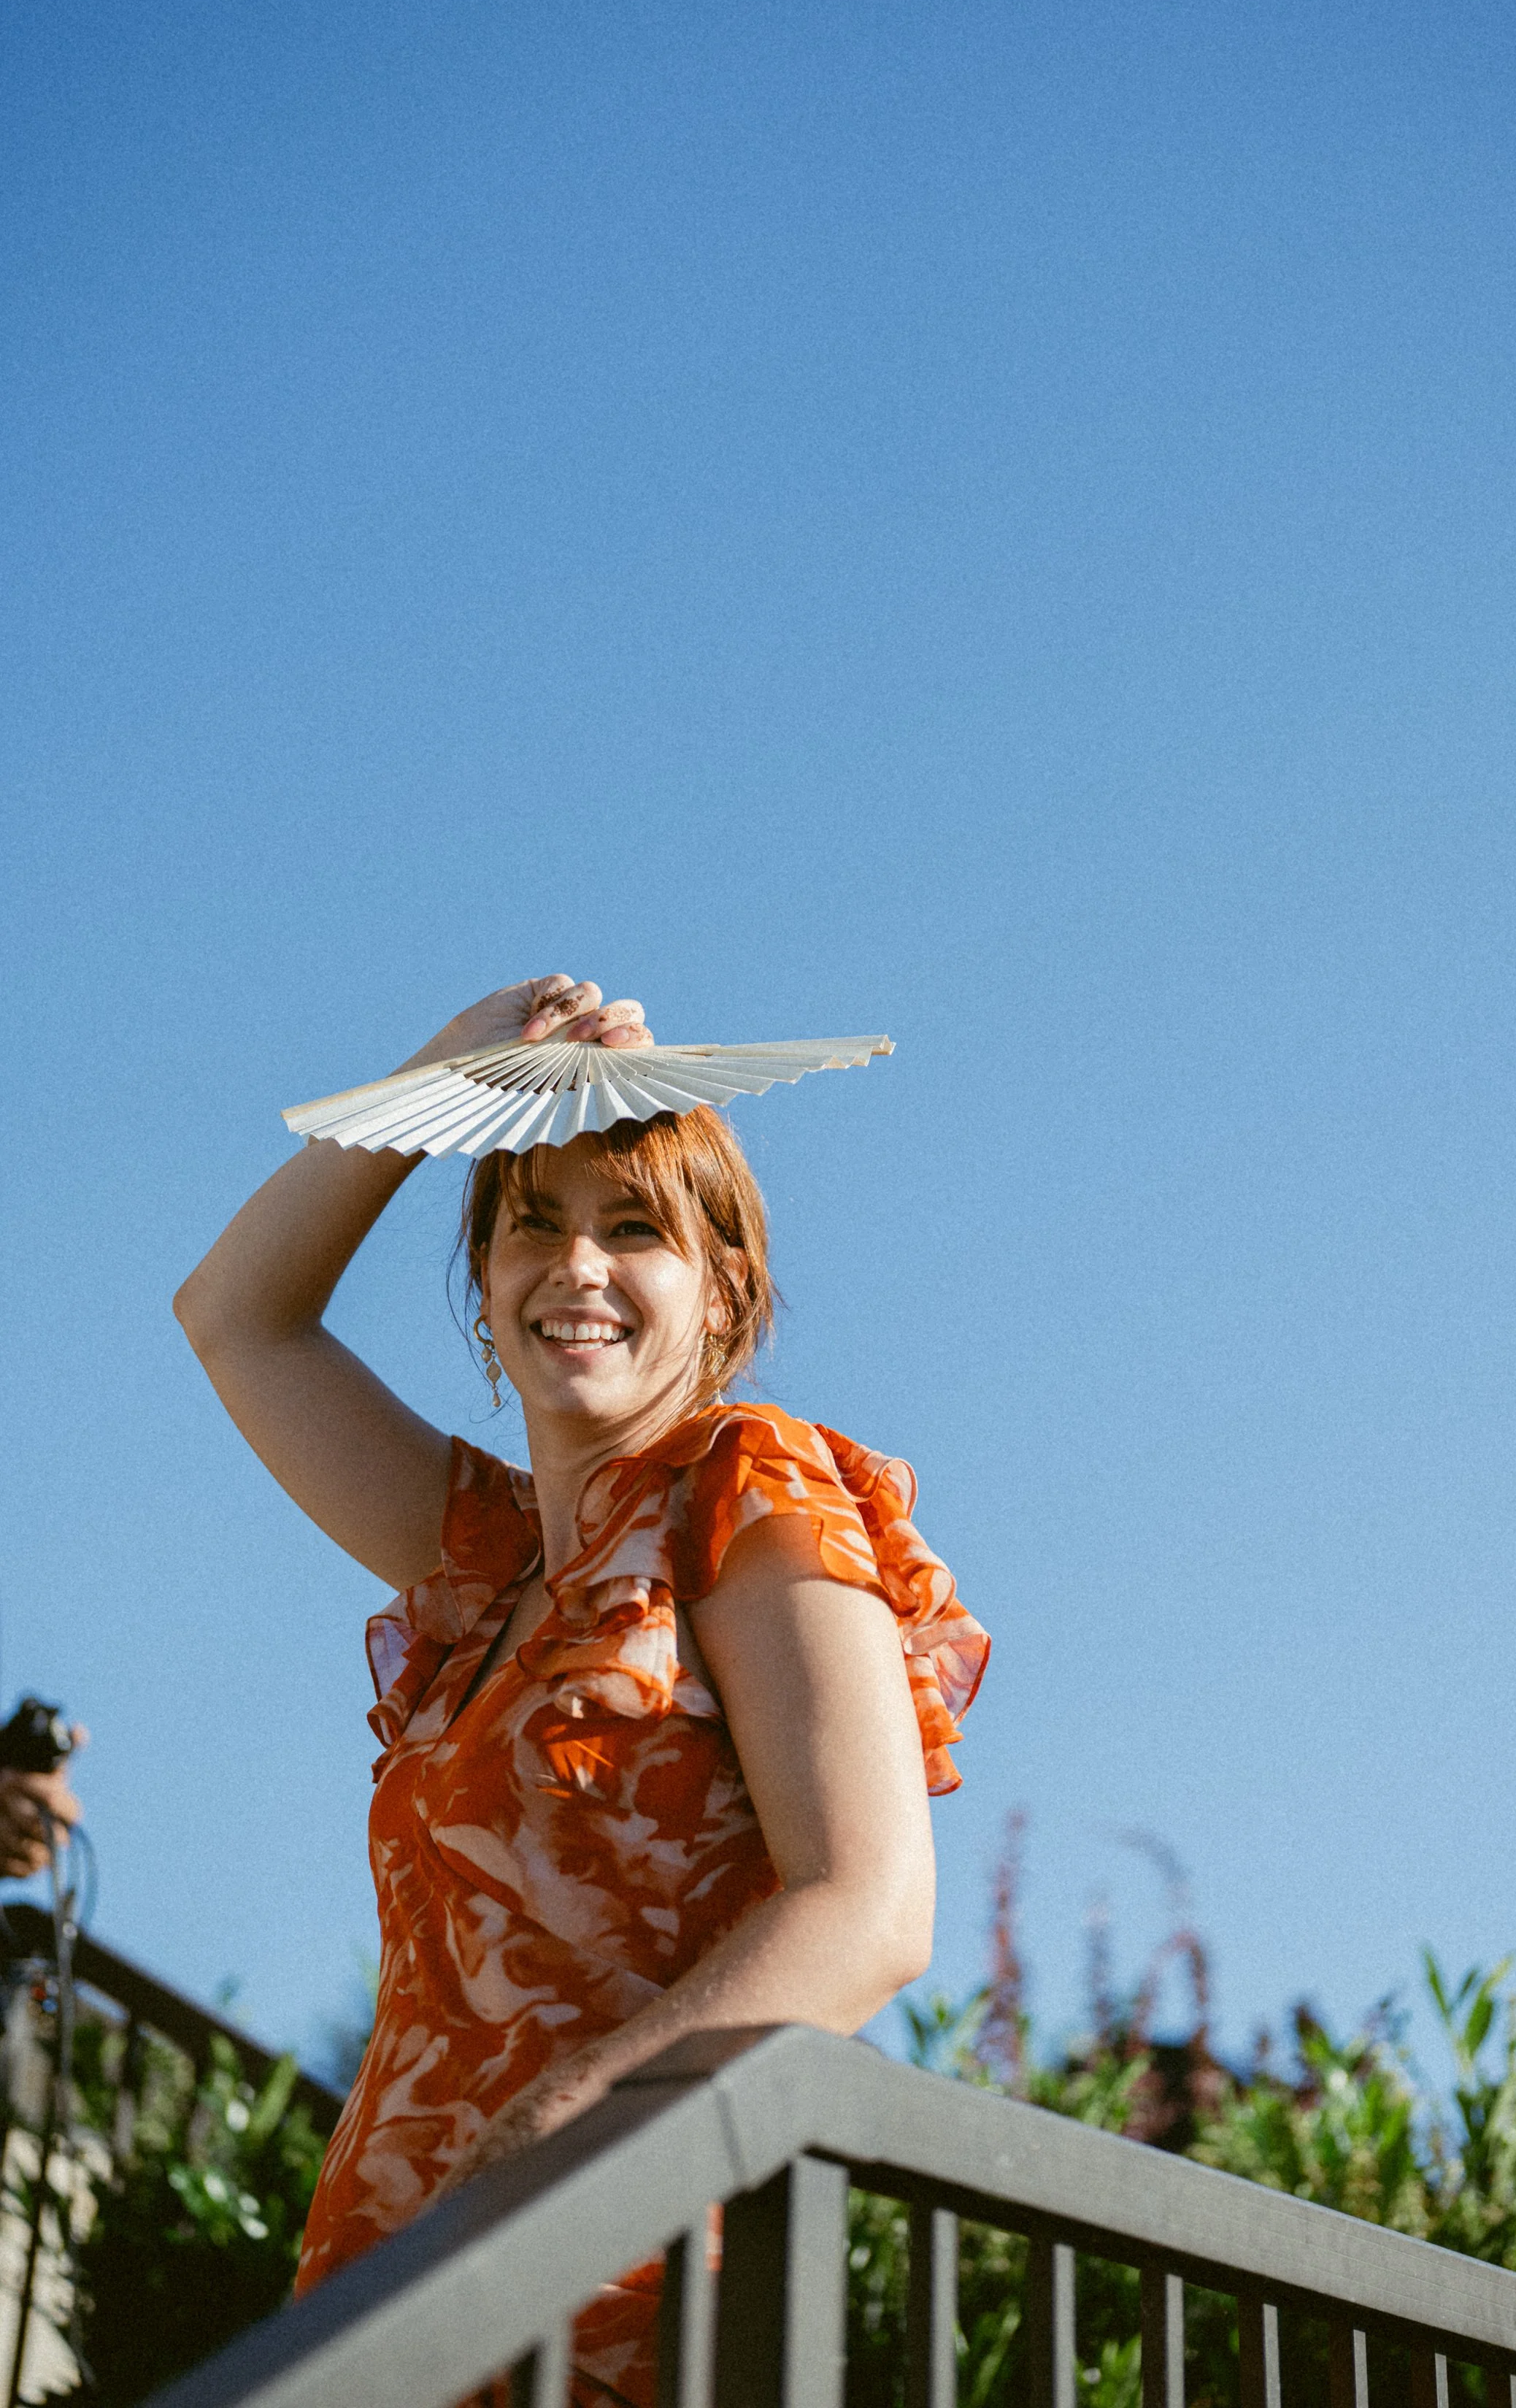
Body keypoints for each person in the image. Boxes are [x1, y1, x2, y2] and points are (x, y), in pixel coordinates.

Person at [173, 973, 988, 2407]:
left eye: (636, 1230)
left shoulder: (746, 1487)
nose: (579, 1269)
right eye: (532, 1225)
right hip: (395, 2277)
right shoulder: (479, 1561)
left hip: (625, 2264)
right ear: (485, 1282)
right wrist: (448, 1070)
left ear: (723, 1284)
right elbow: (237, 1315)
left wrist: (582, 2113)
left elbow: (869, 1907)